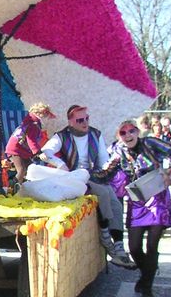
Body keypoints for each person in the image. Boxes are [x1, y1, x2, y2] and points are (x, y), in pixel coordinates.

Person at [41, 104, 134, 268]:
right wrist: (60, 164)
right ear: (70, 122)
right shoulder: (62, 136)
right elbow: (45, 152)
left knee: (116, 205)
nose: (84, 123)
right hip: (74, 177)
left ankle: (118, 246)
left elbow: (103, 159)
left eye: (86, 119)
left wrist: (107, 169)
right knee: (103, 194)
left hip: (94, 175)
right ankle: (106, 238)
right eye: (80, 120)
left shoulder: (95, 134)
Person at [109, 120, 171, 297]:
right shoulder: (117, 151)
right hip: (137, 202)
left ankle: (147, 285)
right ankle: (147, 272)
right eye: (123, 133)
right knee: (133, 247)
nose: (128, 135)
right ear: (119, 136)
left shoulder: (149, 143)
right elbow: (107, 171)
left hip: (157, 199)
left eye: (132, 131)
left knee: (151, 245)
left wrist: (170, 173)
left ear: (138, 131)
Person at [4, 102, 56, 183]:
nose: (47, 120)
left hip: (21, 151)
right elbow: (31, 140)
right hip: (16, 150)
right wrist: (38, 153)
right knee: (22, 170)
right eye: (46, 116)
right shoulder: (34, 125)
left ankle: (24, 185)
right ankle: (13, 186)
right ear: (40, 114)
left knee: (30, 168)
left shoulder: (30, 123)